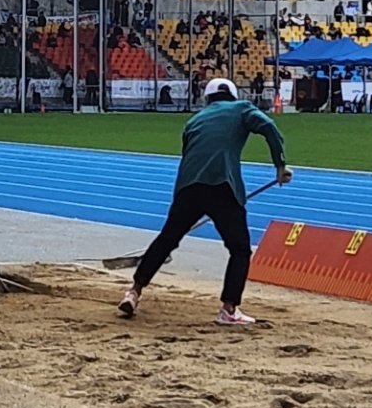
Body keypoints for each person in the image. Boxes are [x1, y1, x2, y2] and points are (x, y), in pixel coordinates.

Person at [117, 77, 292, 327]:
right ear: (233, 95)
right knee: (240, 249)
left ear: (207, 98)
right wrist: (280, 165)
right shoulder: (242, 108)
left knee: (167, 239)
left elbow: (189, 153)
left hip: (188, 186)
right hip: (222, 184)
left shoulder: (195, 120)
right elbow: (269, 127)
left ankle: (133, 292)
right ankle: (229, 309)